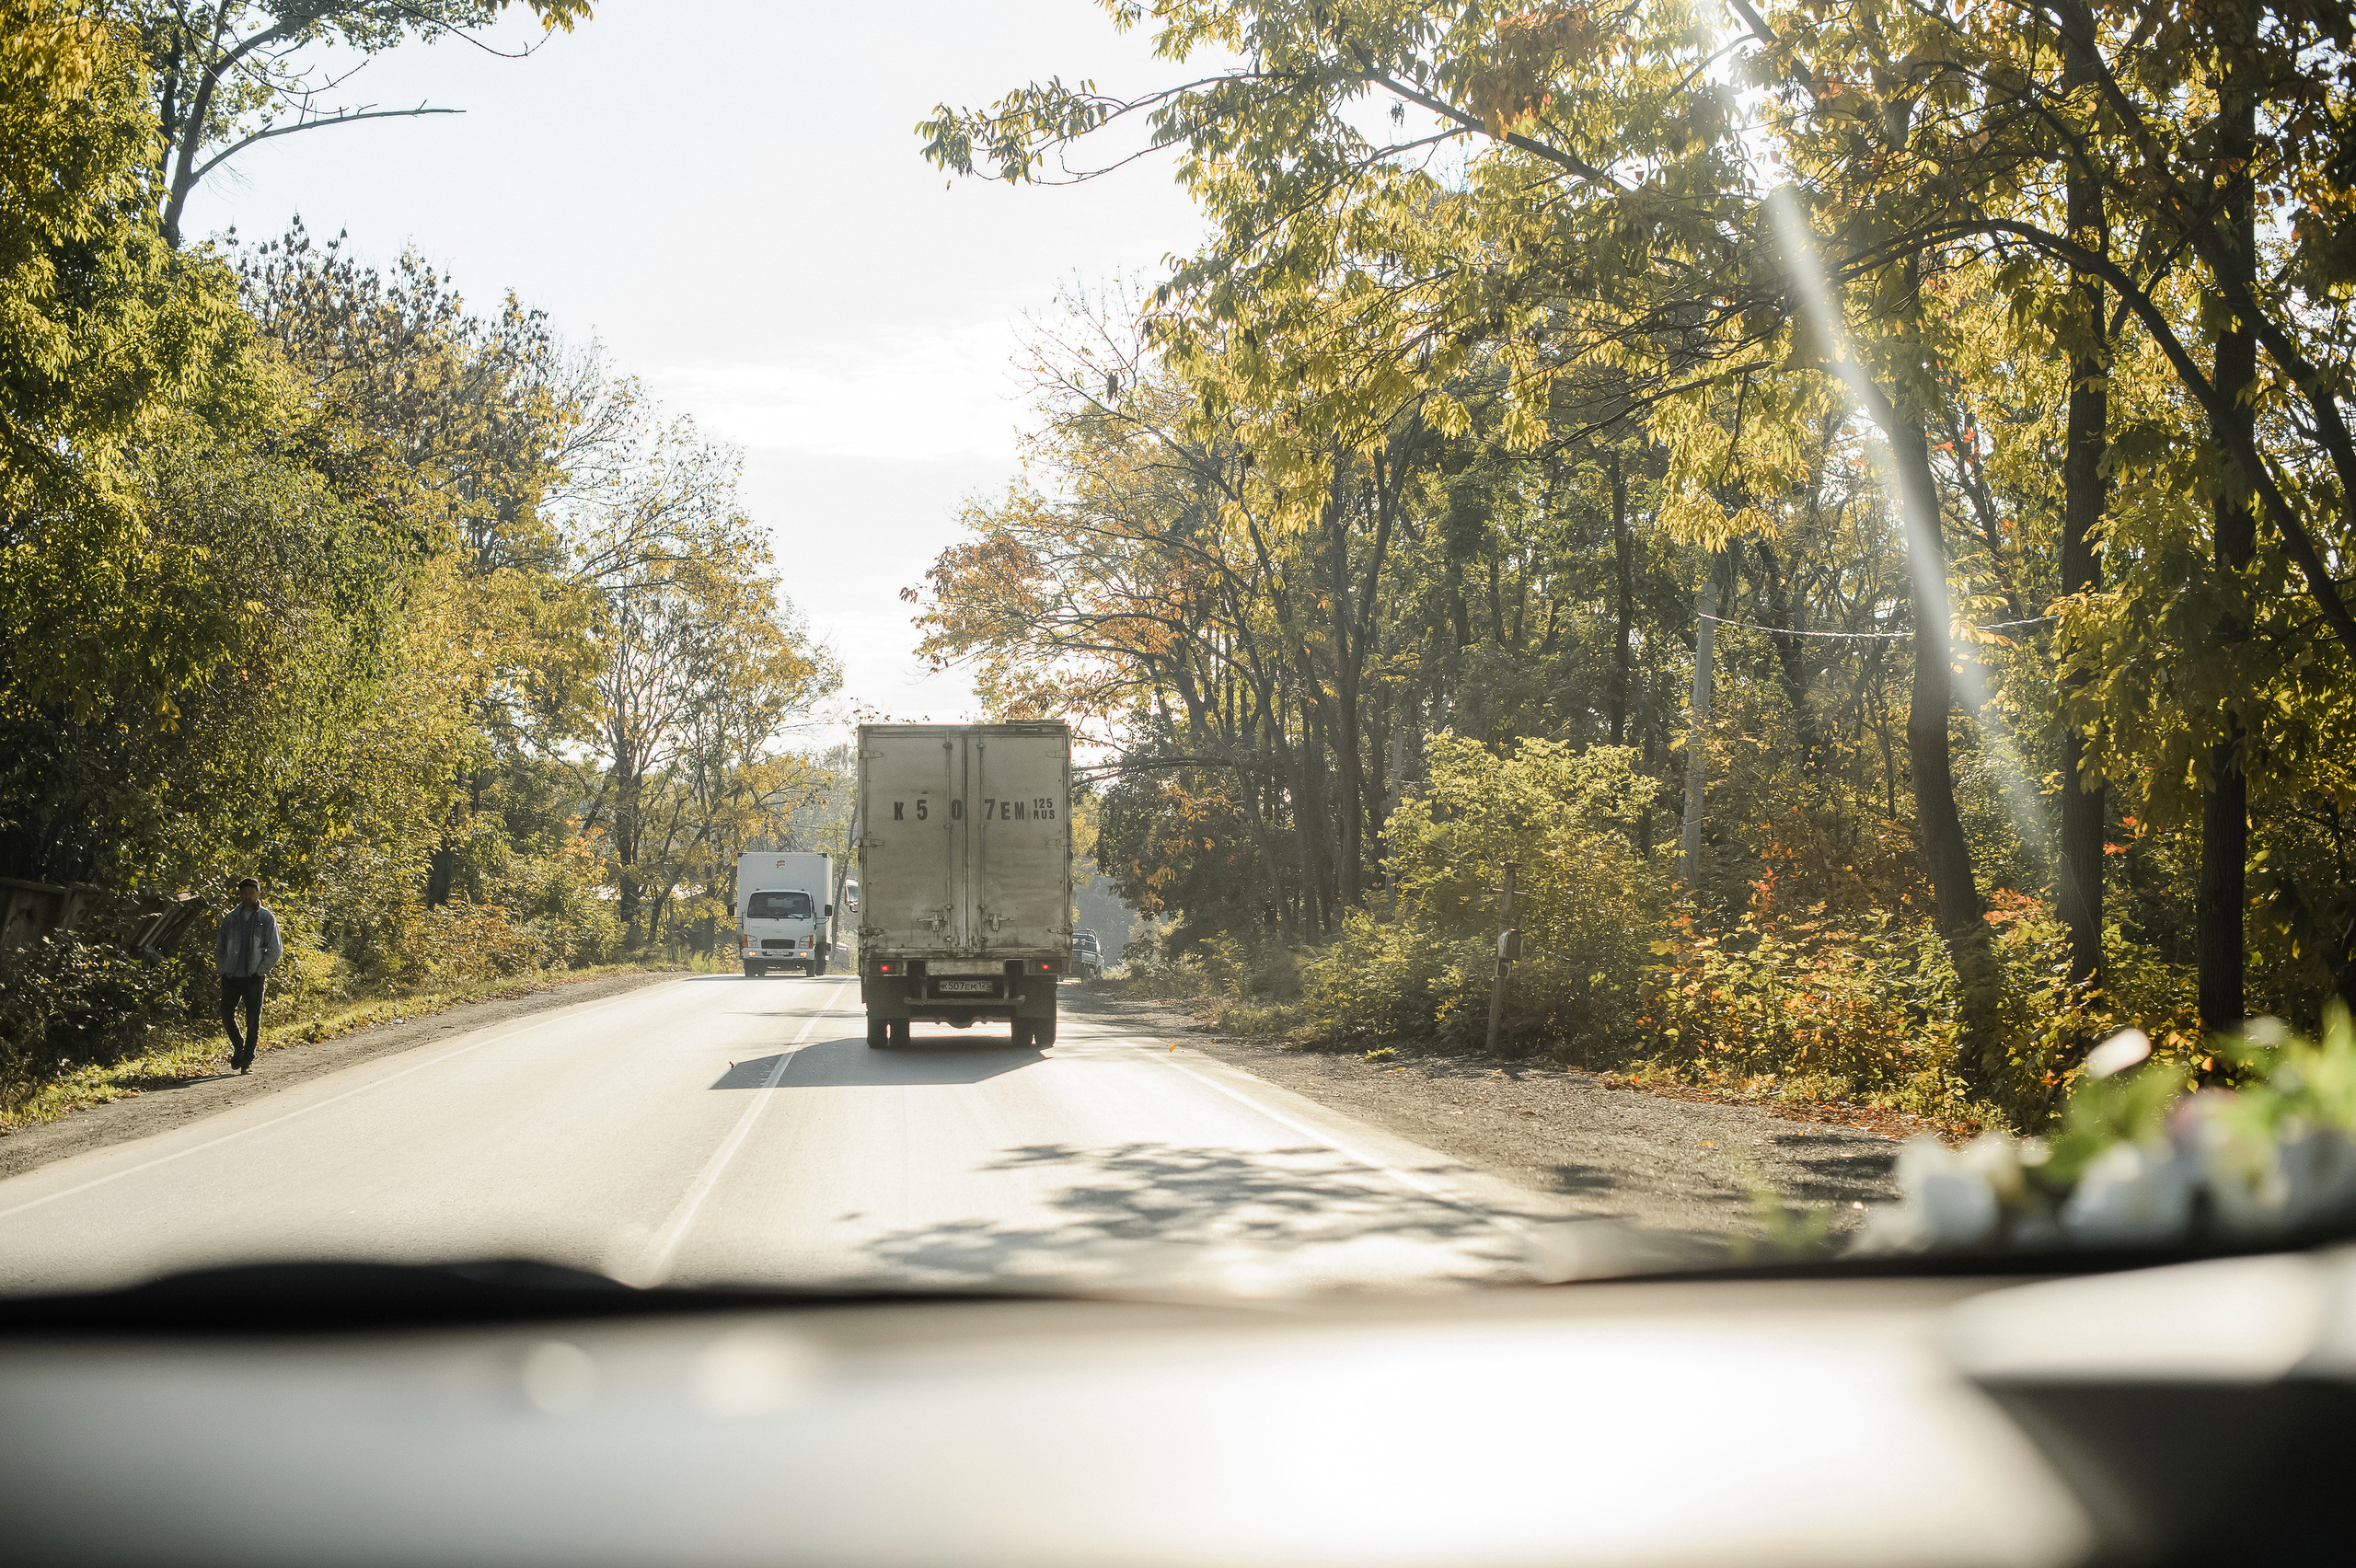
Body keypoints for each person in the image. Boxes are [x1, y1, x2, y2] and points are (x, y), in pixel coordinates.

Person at [214, 878, 282, 1075]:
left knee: (253, 1020)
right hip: (231, 976)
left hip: (253, 977)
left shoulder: (266, 918)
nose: (248, 896)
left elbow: (275, 949)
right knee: (226, 1014)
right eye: (244, 893)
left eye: (251, 893)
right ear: (240, 895)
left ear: (258, 894)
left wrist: (260, 970)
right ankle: (239, 1046)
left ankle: (247, 1060)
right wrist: (223, 969)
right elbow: (220, 947)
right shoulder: (230, 919)